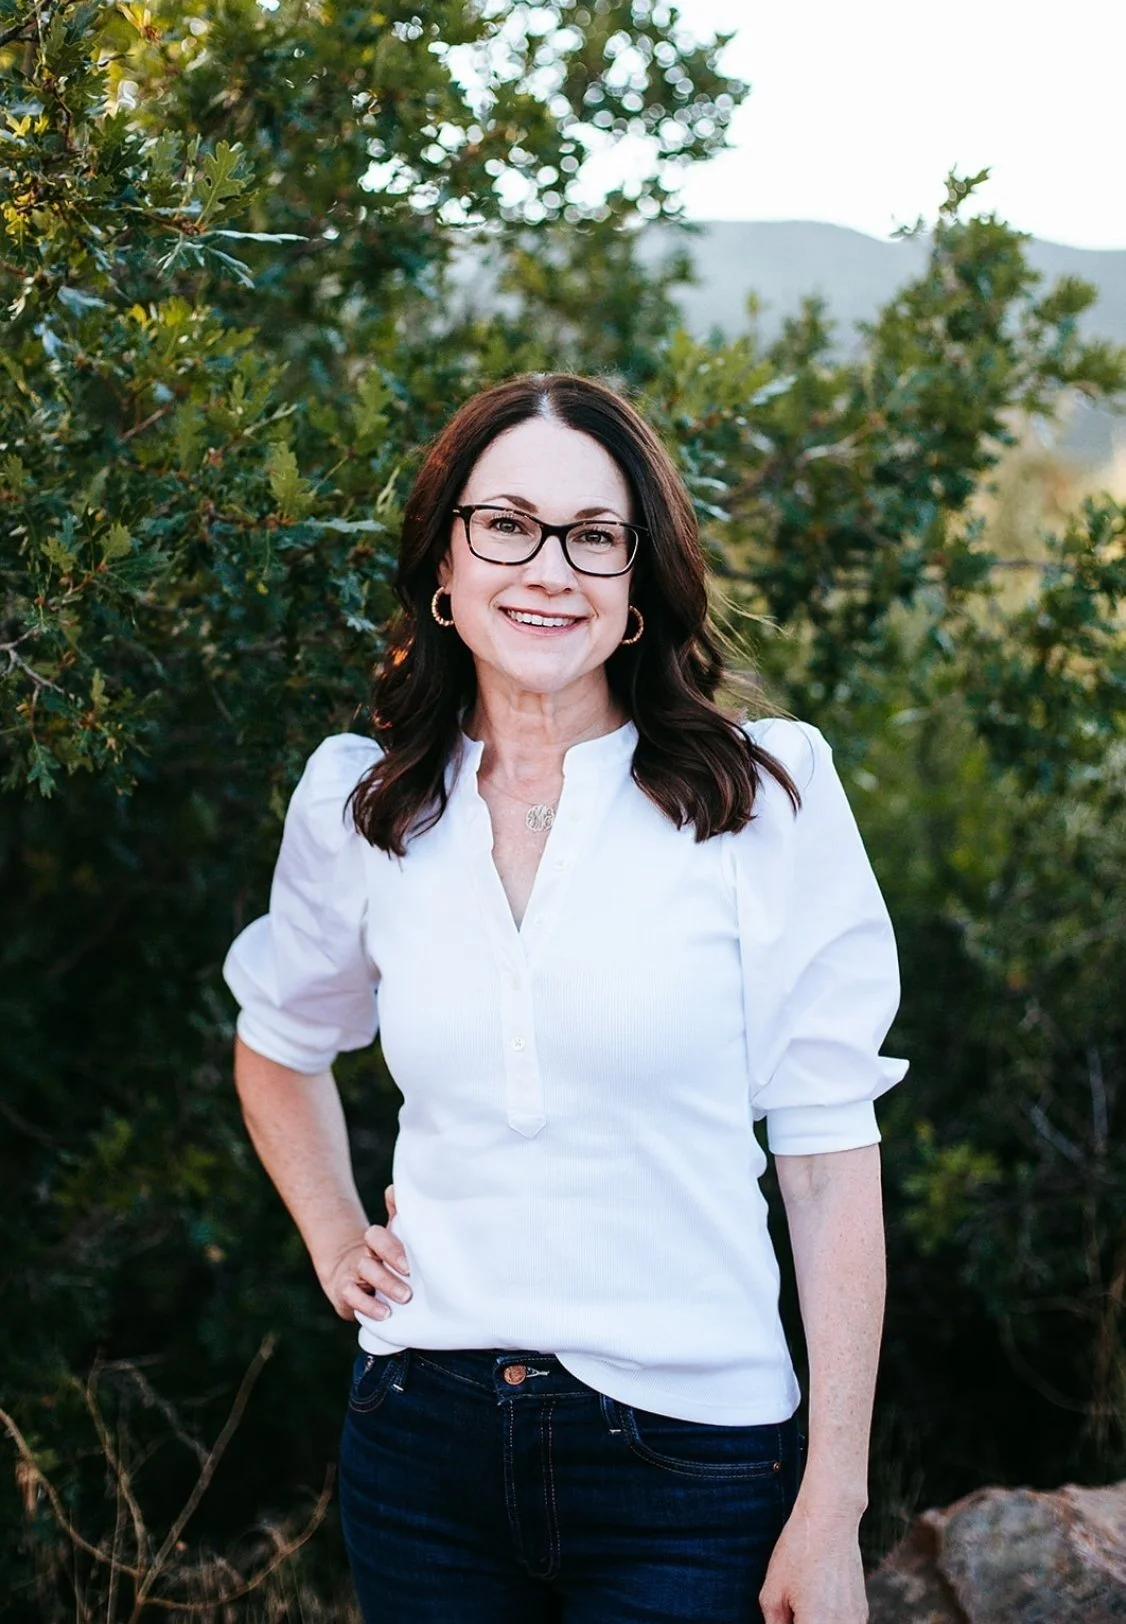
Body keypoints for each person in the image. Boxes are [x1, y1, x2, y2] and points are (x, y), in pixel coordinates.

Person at [222, 371, 907, 1624]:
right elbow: (279, 1038)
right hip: (419, 1443)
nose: (550, 568)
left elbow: (825, 1156)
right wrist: (331, 1232)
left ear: (640, 582)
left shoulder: (762, 798)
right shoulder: (365, 805)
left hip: (693, 1462)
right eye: (507, 525)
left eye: (595, 536)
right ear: (444, 558)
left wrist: (831, 1504)